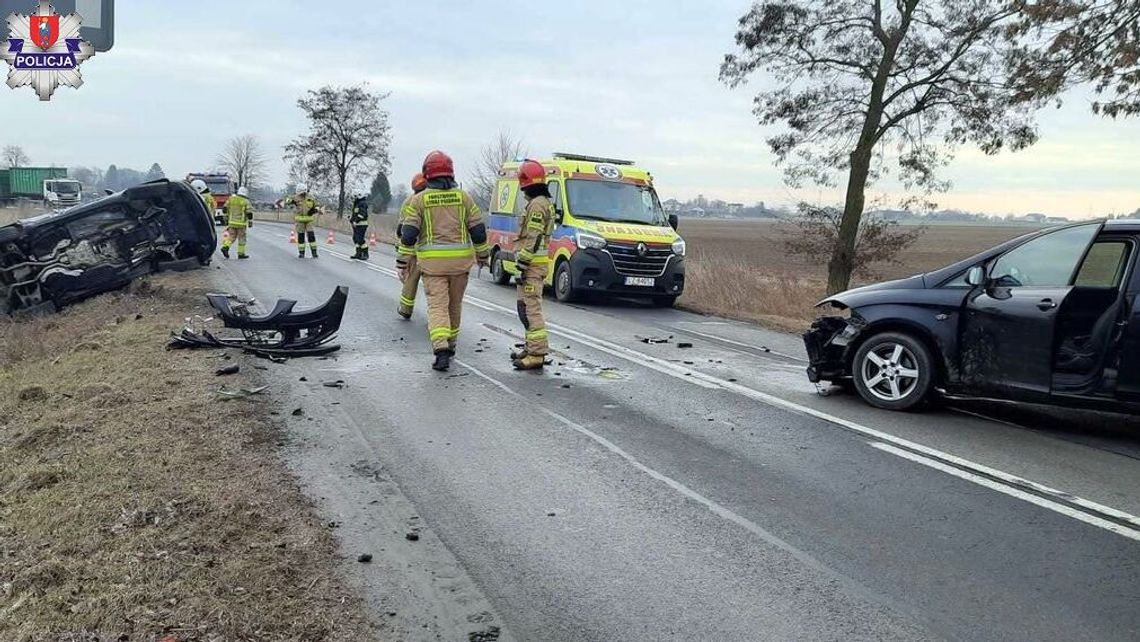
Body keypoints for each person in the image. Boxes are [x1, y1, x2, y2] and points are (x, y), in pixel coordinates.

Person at [397, 152, 490, 371]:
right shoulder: (464, 198)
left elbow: (408, 234)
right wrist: (483, 255)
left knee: (437, 307)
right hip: (460, 266)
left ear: (428, 173)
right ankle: (452, 344)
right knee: (454, 306)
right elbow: (478, 231)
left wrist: (402, 261)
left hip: (432, 267)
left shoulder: (419, 200)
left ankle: (441, 350)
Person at [510, 160, 556, 370]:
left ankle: (537, 354)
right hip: (532, 266)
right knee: (524, 308)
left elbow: (534, 236)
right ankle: (531, 347)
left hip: (532, 267)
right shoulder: (542, 202)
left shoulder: (537, 204)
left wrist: (523, 263)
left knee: (531, 310)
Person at [396, 173, 429, 319]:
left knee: (410, 280)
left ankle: (405, 309)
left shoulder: (409, 201)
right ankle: (436, 313)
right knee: (434, 283)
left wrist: (402, 252)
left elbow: (401, 229)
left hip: (413, 249)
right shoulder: (431, 199)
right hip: (431, 248)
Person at [284, 184, 321, 258]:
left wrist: (315, 210)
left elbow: (317, 205)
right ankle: (301, 253)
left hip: (309, 220)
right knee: (301, 237)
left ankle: (314, 253)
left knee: (311, 236)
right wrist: (291, 201)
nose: (302, 194)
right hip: (300, 220)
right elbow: (286, 200)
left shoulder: (311, 197)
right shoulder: (295, 197)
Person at [220, 186, 253, 259]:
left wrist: (225, 217)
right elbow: (249, 213)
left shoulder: (231, 199)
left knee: (231, 237)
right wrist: (250, 222)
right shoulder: (245, 201)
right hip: (241, 224)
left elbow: (225, 208)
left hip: (231, 222)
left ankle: (225, 247)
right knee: (242, 238)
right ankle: (241, 254)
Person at [350, 194, 371, 260]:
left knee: (360, 239)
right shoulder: (357, 203)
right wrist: (351, 220)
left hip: (362, 224)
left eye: (357, 195)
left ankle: (365, 254)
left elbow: (362, 214)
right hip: (356, 225)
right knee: (355, 239)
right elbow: (355, 214)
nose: (355, 196)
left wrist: (356, 221)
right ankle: (358, 253)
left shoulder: (362, 203)